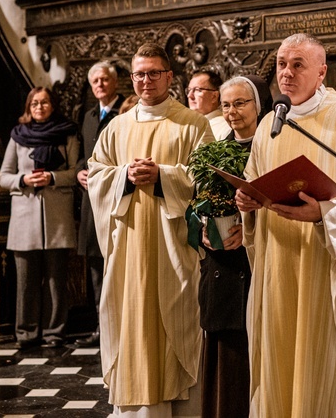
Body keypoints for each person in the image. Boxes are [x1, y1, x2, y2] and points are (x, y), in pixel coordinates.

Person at [235, 33, 336, 417]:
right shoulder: (269, 124)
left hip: (325, 264)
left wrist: (326, 212)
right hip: (277, 261)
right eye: (281, 64)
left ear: (322, 71)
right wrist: (247, 201)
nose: (286, 73)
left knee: (323, 366)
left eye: (297, 65)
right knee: (279, 357)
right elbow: (254, 177)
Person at [87, 43, 214, 416]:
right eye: (139, 74)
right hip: (128, 248)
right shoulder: (117, 128)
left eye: (154, 73)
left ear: (169, 77)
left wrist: (164, 177)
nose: (146, 80)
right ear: (132, 77)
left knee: (177, 320)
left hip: (173, 247)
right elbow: (96, 176)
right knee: (131, 321)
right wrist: (123, 177)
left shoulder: (193, 124)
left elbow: (207, 182)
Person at [196, 74, 270, 418]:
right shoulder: (212, 151)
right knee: (227, 367)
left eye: (241, 103)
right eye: (226, 104)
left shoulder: (272, 147)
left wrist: (250, 228)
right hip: (221, 270)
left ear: (259, 105)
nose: (232, 112)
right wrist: (201, 231)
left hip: (260, 268)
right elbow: (192, 206)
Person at [0, 86, 79, 349]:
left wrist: (52, 177)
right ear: (28, 108)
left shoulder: (67, 133)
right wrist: (23, 179)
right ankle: (26, 333)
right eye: (34, 103)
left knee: (56, 279)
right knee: (26, 281)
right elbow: (3, 176)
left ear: (53, 105)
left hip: (57, 215)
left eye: (44, 103)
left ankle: (55, 332)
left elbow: (77, 171)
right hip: (24, 216)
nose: (39, 107)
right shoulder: (18, 136)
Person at [74, 61, 124, 348]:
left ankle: (117, 326)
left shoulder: (124, 113)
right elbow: (85, 151)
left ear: (114, 83)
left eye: (105, 80)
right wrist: (81, 168)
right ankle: (100, 326)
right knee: (95, 265)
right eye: (95, 81)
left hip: (114, 196)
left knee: (115, 263)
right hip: (90, 200)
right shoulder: (90, 115)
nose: (100, 85)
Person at [187, 70, 230, 140]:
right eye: (189, 90)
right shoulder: (185, 125)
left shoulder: (225, 127)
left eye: (197, 90)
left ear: (214, 96)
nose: (190, 95)